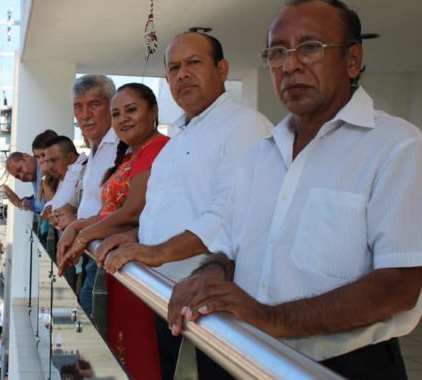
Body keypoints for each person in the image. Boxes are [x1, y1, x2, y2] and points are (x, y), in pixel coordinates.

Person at [167, 1, 422, 378]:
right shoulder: (259, 155)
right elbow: (231, 249)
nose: (290, 65)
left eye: (310, 47)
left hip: (342, 366)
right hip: (242, 355)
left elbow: (399, 286)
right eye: (277, 52)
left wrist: (271, 318)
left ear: (353, 59)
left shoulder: (396, 146)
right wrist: (209, 276)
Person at [96, 31, 273, 378]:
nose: (182, 74)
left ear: (222, 69)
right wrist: (136, 237)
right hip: (166, 298)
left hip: (214, 310)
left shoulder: (244, 125)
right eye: (174, 67)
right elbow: (165, 208)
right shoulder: (180, 136)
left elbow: (229, 216)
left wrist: (156, 251)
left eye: (194, 63)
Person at [58, 83, 170, 379]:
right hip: (114, 266)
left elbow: (132, 212)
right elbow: (108, 212)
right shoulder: (130, 156)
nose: (123, 119)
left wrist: (82, 236)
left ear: (154, 112)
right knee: (115, 351)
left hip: (137, 268)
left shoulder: (157, 149)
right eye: (117, 113)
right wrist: (78, 226)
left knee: (134, 355)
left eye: (131, 110)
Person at [56, 75, 118, 317]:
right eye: (78, 106)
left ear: (111, 106)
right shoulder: (95, 148)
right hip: (90, 254)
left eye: (95, 104)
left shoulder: (119, 146)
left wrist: (78, 229)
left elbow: (124, 209)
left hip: (107, 257)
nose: (85, 114)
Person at [3, 130, 59, 214]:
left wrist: (19, 203)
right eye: (17, 177)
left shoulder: (43, 167)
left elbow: (42, 206)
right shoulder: (35, 174)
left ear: (26, 156)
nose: (21, 176)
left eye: (20, 169)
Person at [41, 136, 86, 221]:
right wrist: (49, 206)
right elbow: (56, 202)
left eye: (53, 160)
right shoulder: (65, 171)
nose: (49, 166)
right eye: (47, 161)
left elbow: (62, 206)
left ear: (71, 157)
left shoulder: (81, 170)